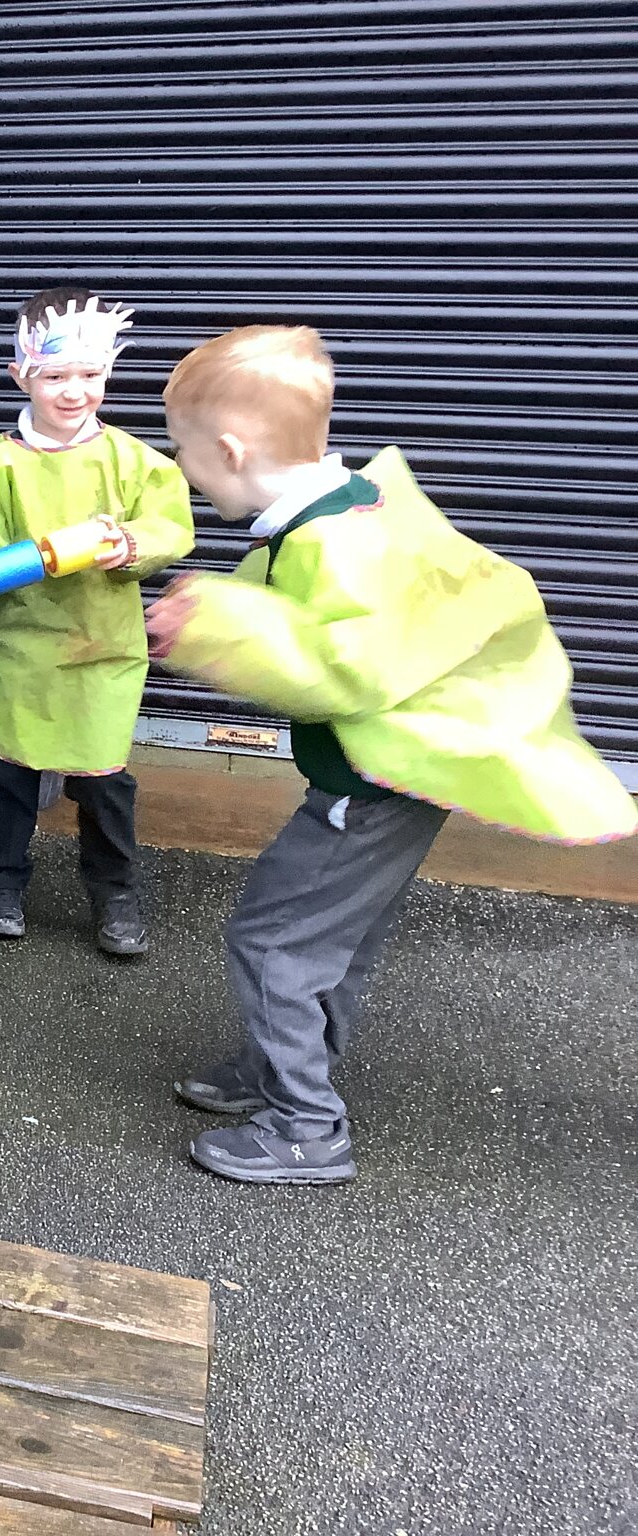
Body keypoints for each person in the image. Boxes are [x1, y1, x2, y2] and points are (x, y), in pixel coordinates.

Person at [148, 324, 637, 1185]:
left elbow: (346, 667)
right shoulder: (349, 506)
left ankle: (305, 1123)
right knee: (334, 940)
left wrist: (218, 625)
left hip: (368, 788)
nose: (182, 470)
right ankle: (282, 1074)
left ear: (230, 448)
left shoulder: (340, 543)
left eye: (184, 454)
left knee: (272, 942)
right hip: (400, 780)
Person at [0, 288, 195, 954]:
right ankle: (1, 883)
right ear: (22, 375)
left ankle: (116, 897)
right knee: (8, 776)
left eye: (91, 374)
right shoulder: (3, 465)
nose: (75, 391)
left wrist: (132, 543)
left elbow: (170, 525)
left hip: (100, 650)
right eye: (55, 375)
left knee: (104, 784)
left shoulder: (134, 462)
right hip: (21, 651)